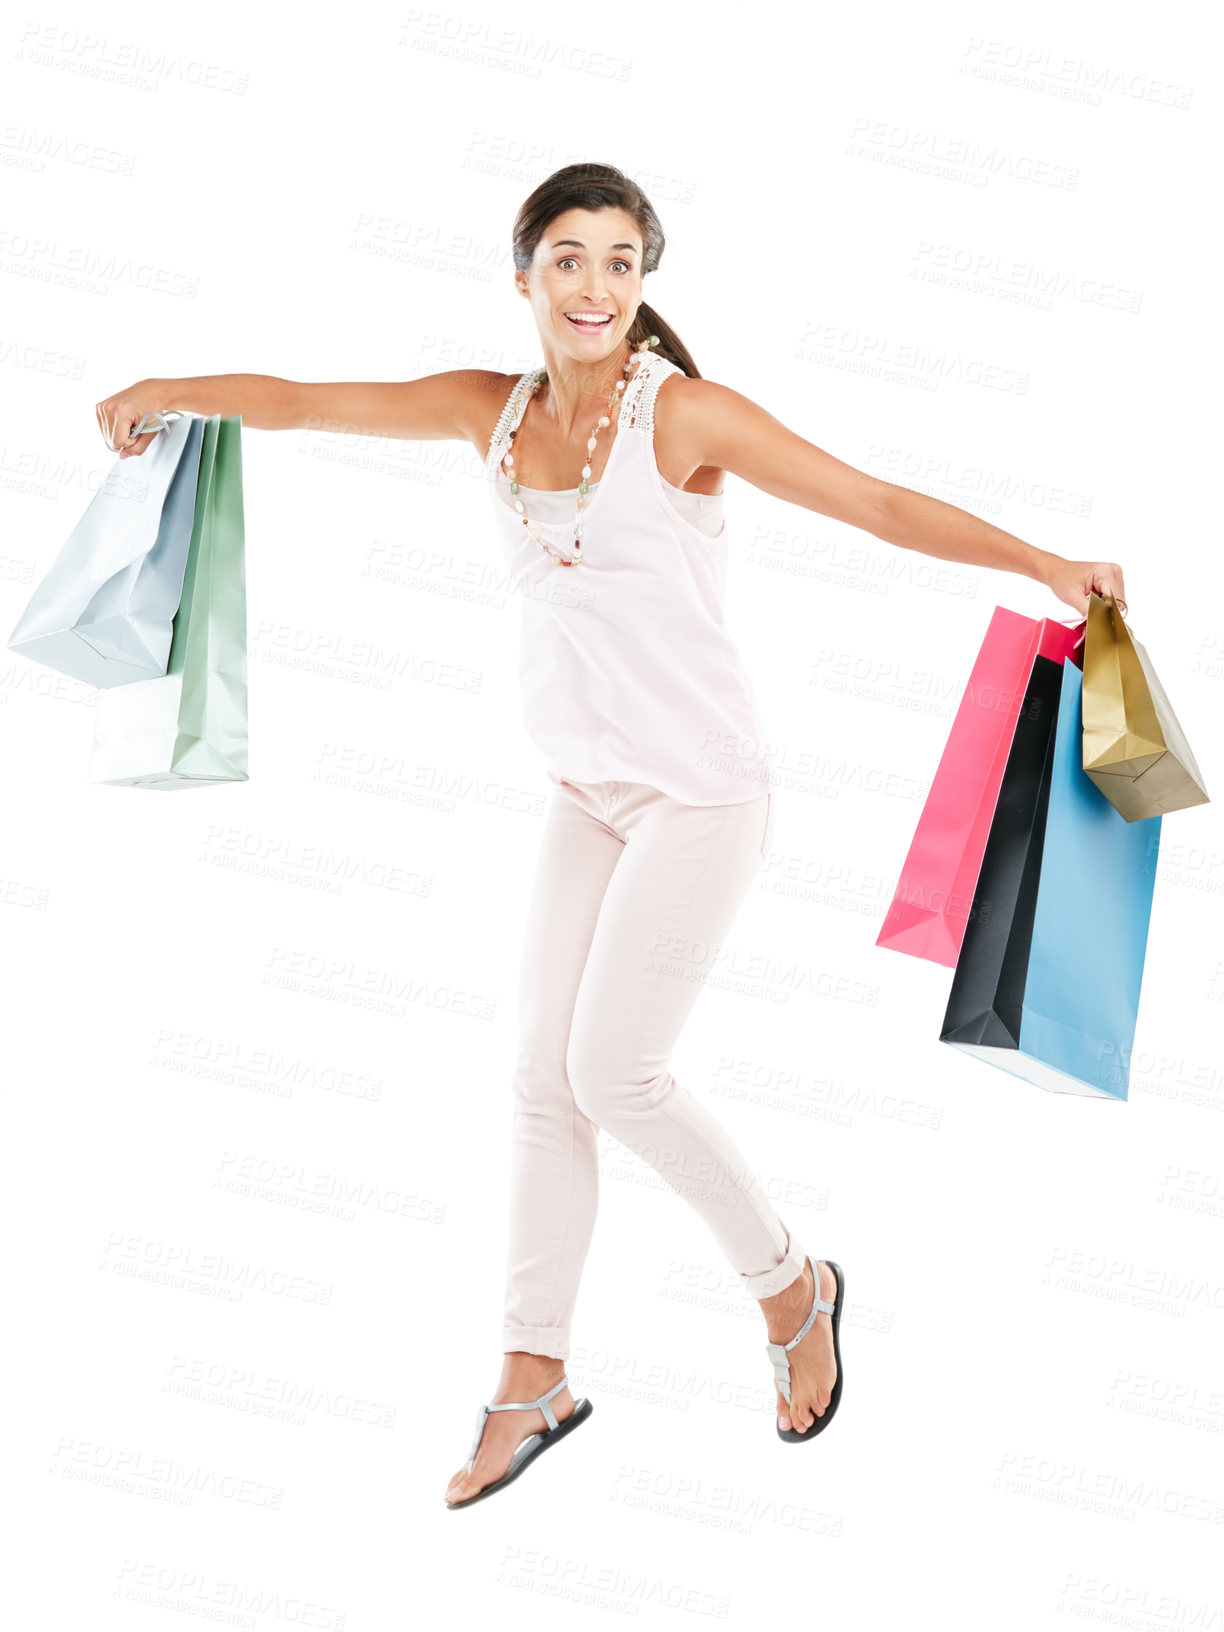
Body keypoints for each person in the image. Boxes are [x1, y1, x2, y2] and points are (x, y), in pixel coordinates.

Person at [96, 162, 1128, 1511]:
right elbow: (303, 404)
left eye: (622, 263)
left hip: (701, 793)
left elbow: (872, 502)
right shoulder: (494, 411)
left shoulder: (679, 416)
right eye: (569, 260)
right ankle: (534, 1378)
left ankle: (791, 1288)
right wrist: (164, 391)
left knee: (612, 1073)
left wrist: (1047, 563)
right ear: (522, 276)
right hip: (587, 792)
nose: (595, 287)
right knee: (541, 1078)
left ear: (646, 284)